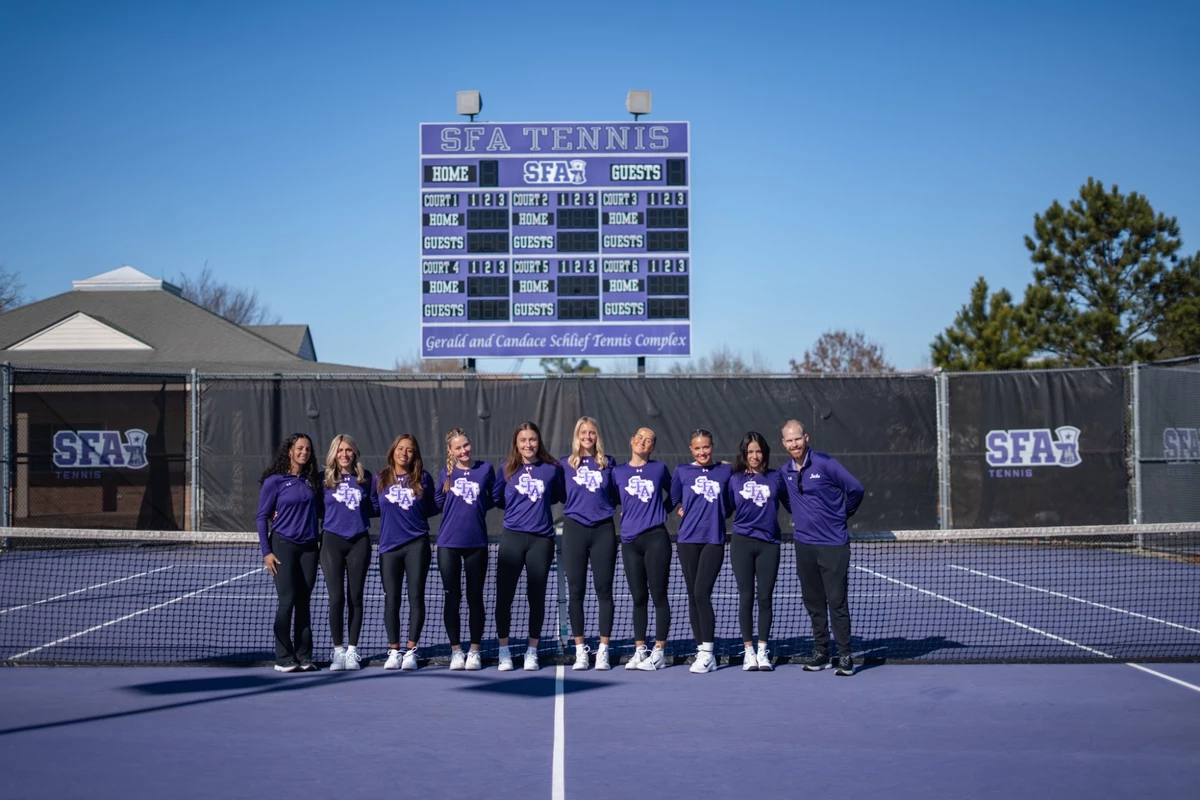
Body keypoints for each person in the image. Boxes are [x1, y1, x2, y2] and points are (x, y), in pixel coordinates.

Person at [780, 419, 865, 677]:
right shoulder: (785, 471)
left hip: (833, 545)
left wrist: (842, 516)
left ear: (806, 438)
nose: (794, 444)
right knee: (814, 602)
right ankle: (821, 652)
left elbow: (856, 490)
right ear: (783, 444)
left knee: (836, 602)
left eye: (798, 438)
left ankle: (845, 655)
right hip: (804, 546)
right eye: (789, 440)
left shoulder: (826, 463)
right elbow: (785, 498)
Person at [493, 422, 565, 672]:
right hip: (512, 538)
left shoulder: (552, 469)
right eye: (523, 440)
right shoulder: (505, 468)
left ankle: (531, 651)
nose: (528, 444)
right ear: (516, 442)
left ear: (539, 441)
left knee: (536, 597)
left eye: (532, 439)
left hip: (541, 540)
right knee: (504, 597)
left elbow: (557, 495)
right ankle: (504, 651)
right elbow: (497, 498)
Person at [256, 433, 322, 672]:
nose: (304, 452)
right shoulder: (274, 481)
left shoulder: (312, 480)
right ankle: (283, 657)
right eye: (300, 448)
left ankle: (304, 656)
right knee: (287, 601)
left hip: (309, 549)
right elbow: (262, 517)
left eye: (308, 449)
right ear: (290, 451)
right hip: (283, 546)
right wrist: (267, 552)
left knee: (304, 602)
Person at [670, 429, 733, 674]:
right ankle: (701, 650)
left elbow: (730, 502)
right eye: (697, 448)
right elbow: (671, 500)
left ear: (712, 446)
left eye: (705, 447)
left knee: (701, 593)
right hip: (687, 541)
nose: (702, 452)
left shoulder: (726, 471)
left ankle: (708, 653)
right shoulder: (682, 472)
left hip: (713, 540)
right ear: (691, 449)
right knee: (693, 596)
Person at [374, 434, 438, 671]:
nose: (404, 453)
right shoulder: (380, 478)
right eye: (400, 448)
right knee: (391, 599)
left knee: (415, 597)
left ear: (415, 454)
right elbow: (370, 505)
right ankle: (394, 650)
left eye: (410, 450)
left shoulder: (423, 478)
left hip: (417, 545)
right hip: (389, 547)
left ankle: (410, 650)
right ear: (393, 451)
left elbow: (433, 505)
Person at [434, 428, 495, 671]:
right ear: (451, 451)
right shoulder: (445, 474)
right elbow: (438, 502)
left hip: (477, 543)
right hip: (448, 544)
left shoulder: (485, 469)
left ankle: (475, 651)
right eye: (458, 448)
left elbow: (492, 497)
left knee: (475, 598)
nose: (464, 450)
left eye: (466, 445)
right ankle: (456, 651)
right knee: (452, 597)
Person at [561, 416, 619, 671]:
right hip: (574, 530)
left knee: (604, 590)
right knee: (576, 591)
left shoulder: (609, 464)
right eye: (583, 432)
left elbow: (618, 494)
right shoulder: (565, 465)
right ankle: (580, 650)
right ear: (577, 435)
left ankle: (603, 651)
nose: (588, 436)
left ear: (598, 435)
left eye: (592, 432)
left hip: (603, 530)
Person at [612, 427, 673, 671]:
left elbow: (675, 493)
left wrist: (661, 510)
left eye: (648, 441)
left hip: (656, 539)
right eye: (639, 437)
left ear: (652, 448)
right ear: (631, 440)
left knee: (658, 596)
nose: (642, 442)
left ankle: (658, 651)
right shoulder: (618, 472)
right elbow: (613, 498)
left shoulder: (658, 470)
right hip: (629, 542)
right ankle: (640, 650)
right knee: (638, 598)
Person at [727, 432, 786, 671]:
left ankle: (763, 651)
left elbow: (795, 503)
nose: (754, 455)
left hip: (769, 544)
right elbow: (722, 507)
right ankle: (748, 651)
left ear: (765, 453)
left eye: (758, 451)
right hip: (741, 543)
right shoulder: (734, 479)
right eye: (750, 451)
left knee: (765, 597)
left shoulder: (776, 478)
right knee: (746, 597)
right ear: (744, 454)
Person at [319, 434, 374, 671]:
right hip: (331, 541)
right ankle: (338, 651)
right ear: (334, 453)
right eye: (340, 450)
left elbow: (376, 506)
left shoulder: (365, 478)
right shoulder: (323, 479)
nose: (344, 454)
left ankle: (352, 651)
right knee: (336, 598)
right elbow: (310, 506)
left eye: (348, 450)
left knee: (355, 597)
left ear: (355, 452)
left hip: (359, 541)